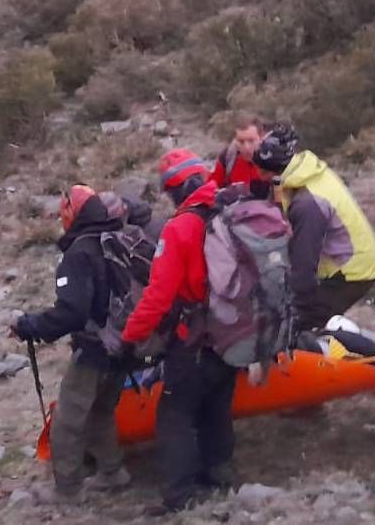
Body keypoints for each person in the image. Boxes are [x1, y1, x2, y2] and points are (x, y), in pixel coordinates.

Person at [118, 149, 238, 515]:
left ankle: (179, 497)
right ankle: (218, 472)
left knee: (175, 413)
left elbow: (157, 297)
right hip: (235, 328)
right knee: (217, 402)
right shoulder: (232, 210)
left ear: (177, 190)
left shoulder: (181, 227)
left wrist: (129, 338)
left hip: (194, 335)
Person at [9, 184, 141, 498]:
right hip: (126, 343)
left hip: (95, 348)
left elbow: (72, 313)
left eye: (63, 210)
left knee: (67, 420)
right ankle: (112, 471)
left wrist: (29, 326)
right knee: (101, 410)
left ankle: (67, 488)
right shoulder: (114, 239)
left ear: (72, 212)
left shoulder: (79, 253)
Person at [251, 125, 375, 332]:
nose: (259, 175)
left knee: (304, 321)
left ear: (274, 169)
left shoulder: (308, 204)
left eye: (262, 170)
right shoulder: (305, 171)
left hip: (353, 270)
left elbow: (303, 264)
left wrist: (294, 310)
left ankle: (329, 354)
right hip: (353, 257)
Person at [211, 113, 271, 199]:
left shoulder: (272, 161)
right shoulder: (228, 157)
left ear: (262, 137)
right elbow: (211, 191)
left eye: (251, 141)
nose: (246, 147)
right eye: (241, 141)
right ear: (234, 140)